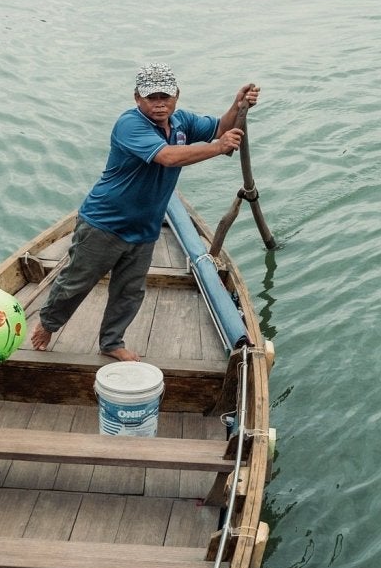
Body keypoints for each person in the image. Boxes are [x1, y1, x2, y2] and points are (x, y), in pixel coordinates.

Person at [28, 67, 258, 360]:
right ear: (138, 98)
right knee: (76, 282)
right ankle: (48, 324)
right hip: (105, 223)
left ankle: (111, 342)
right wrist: (216, 148)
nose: (160, 103)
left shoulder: (182, 121)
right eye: (152, 97)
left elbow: (219, 128)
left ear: (176, 96)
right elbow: (166, 157)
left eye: (166, 96)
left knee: (130, 291)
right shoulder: (129, 124)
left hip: (145, 228)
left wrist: (236, 106)